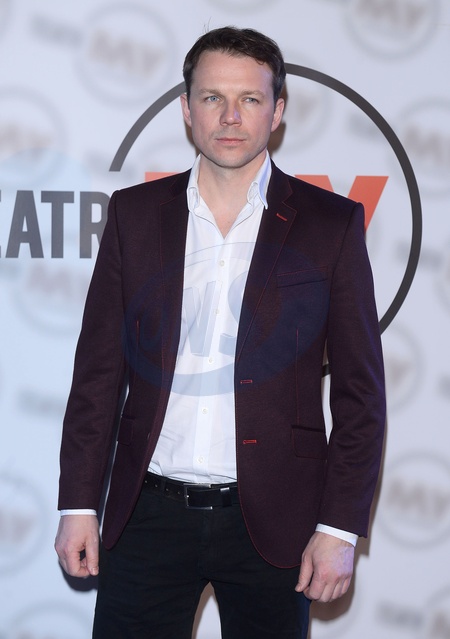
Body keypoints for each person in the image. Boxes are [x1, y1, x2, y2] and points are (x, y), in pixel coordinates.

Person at [55, 26, 386, 639]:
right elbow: (97, 376)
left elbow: (360, 397)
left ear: (277, 112)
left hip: (278, 523)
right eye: (212, 98)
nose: (230, 117)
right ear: (187, 109)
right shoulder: (133, 216)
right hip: (146, 514)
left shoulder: (331, 226)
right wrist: (77, 504)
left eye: (250, 99)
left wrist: (339, 528)